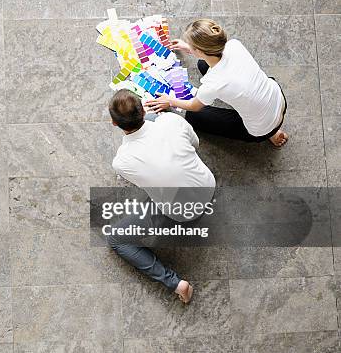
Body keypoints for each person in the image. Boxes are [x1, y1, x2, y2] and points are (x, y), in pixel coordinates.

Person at [106, 89, 216, 304]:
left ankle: (175, 283)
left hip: (184, 214)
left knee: (116, 239)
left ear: (114, 123)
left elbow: (143, 183)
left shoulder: (122, 161)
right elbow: (195, 144)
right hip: (207, 185)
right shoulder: (172, 122)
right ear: (143, 108)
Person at [145, 19, 289, 147]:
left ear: (199, 50)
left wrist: (170, 100)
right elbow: (214, 55)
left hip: (260, 129)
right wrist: (190, 49)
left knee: (193, 116)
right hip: (278, 99)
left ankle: (271, 133)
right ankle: (272, 129)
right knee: (203, 64)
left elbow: (193, 106)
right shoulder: (234, 45)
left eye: (191, 45)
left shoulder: (212, 83)